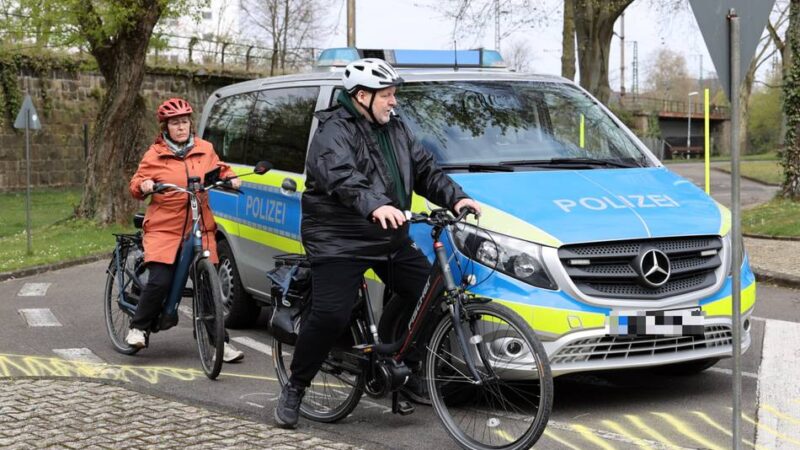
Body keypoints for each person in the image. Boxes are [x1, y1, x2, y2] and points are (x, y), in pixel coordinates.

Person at [274, 59, 482, 429]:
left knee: (429, 293)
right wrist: (377, 205)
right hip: (339, 239)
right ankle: (295, 388)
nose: (393, 102)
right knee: (331, 315)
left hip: (388, 235)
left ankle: (401, 359)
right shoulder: (333, 131)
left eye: (393, 94)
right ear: (362, 96)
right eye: (386, 95)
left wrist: (455, 198)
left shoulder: (396, 128)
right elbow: (342, 176)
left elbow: (425, 170)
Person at [126, 97, 245, 364]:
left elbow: (219, 169)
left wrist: (231, 178)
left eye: (184, 122)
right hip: (164, 227)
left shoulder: (204, 149)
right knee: (160, 280)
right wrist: (145, 185)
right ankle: (139, 327)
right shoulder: (155, 154)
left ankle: (219, 346)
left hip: (199, 224)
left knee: (208, 286)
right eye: (174, 123)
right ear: (165, 127)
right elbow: (136, 183)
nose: (181, 127)